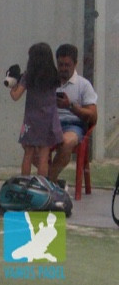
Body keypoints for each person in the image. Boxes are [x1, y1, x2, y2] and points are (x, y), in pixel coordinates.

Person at [8, 42, 63, 177]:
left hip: (31, 120)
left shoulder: (28, 76)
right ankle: (42, 184)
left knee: (28, 153)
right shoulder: (54, 75)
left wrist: (12, 87)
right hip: (49, 120)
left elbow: (16, 96)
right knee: (44, 155)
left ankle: (25, 182)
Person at [48, 43, 98, 183]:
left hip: (73, 125)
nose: (63, 68)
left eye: (67, 65)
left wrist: (70, 106)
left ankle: (48, 182)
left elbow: (93, 116)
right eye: (60, 65)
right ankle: (52, 181)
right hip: (51, 123)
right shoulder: (50, 82)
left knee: (66, 142)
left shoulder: (84, 85)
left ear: (75, 64)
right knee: (30, 142)